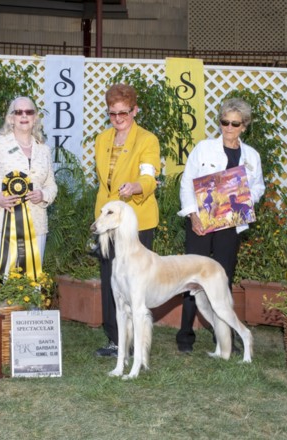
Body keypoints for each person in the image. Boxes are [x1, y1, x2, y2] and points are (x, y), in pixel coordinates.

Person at [176, 98, 265, 353]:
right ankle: (185, 337)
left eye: (234, 123)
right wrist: (193, 216)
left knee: (222, 280)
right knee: (191, 280)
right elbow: (187, 183)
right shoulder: (203, 148)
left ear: (244, 126)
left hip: (230, 225)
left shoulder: (252, 156)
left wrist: (248, 196)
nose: (228, 127)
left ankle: (223, 338)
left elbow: (258, 186)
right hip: (201, 223)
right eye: (224, 122)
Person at [93, 83, 161, 357]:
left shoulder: (147, 140)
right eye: (113, 114)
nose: (118, 119)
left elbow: (149, 176)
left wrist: (136, 187)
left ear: (135, 111)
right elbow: (104, 183)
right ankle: (115, 339)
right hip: (107, 220)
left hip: (136, 220)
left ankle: (138, 341)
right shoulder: (101, 139)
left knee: (135, 284)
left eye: (124, 113)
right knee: (110, 278)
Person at [0, 97, 57, 279]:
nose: (24, 116)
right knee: (0, 281)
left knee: (32, 283)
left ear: (35, 117)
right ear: (10, 118)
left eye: (28, 112)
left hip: (37, 226)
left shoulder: (43, 149)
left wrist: (43, 195)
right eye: (18, 112)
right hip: (0, 223)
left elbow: (51, 185)